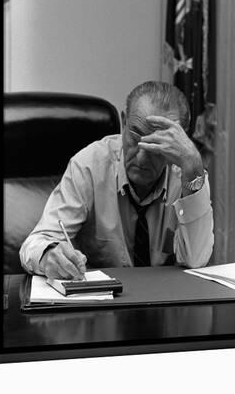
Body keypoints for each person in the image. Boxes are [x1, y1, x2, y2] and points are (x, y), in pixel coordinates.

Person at [20, 81, 214, 279]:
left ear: (179, 140)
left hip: (165, 300)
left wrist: (193, 165)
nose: (141, 157)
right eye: (135, 136)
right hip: (102, 302)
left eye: (157, 145)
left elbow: (196, 260)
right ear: (123, 122)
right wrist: (48, 256)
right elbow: (36, 242)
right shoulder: (89, 165)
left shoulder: (188, 174)